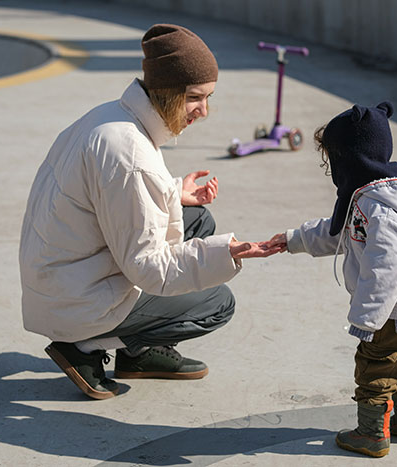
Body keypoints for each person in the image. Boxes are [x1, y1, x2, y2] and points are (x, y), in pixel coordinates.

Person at [19, 23, 280, 400]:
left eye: (208, 97)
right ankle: (84, 344)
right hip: (73, 298)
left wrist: (173, 193)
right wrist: (223, 255)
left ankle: (135, 353)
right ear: (167, 91)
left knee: (198, 220)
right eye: (194, 98)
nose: (203, 111)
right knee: (218, 302)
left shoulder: (112, 117)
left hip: (62, 274)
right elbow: (148, 268)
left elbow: (109, 201)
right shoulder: (131, 157)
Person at [267, 102, 397, 457]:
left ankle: (371, 434)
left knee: (375, 365)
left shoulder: (380, 209)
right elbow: (338, 232)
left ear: (350, 160)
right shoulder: (372, 196)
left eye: (331, 161)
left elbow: (386, 269)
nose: (330, 170)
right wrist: (293, 239)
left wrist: (366, 320)